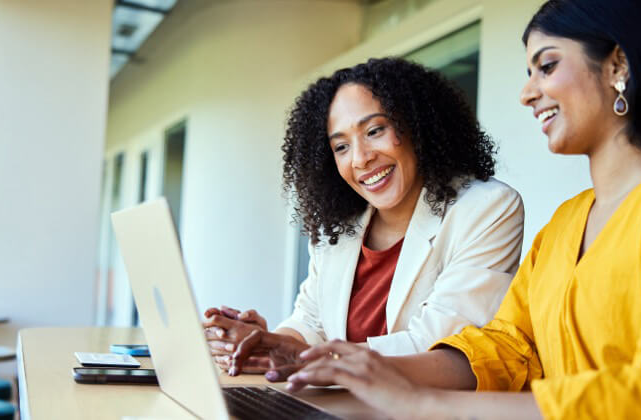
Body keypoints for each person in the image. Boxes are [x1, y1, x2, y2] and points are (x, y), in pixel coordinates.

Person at [236, 1, 641, 418]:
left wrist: (420, 403)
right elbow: (504, 350)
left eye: (547, 65)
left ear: (617, 65)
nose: (527, 91)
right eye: (528, 71)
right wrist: (357, 366)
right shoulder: (565, 223)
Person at [204, 57, 525, 375]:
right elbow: (309, 323)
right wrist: (265, 344)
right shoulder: (339, 228)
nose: (360, 159)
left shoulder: (487, 208)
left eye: (374, 130)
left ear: (417, 126)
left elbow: (442, 345)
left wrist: (310, 357)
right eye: (341, 147)